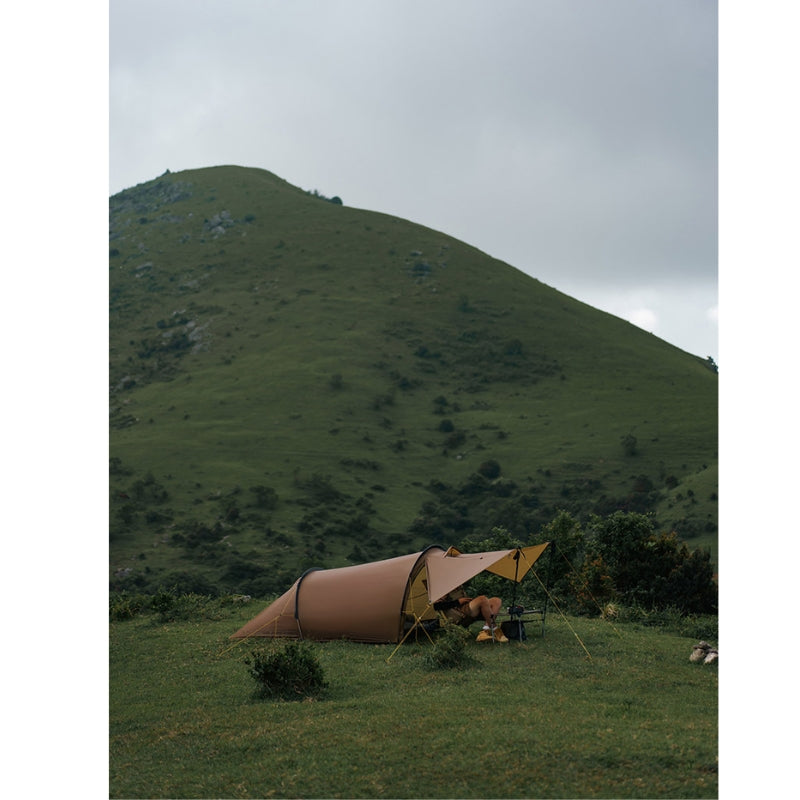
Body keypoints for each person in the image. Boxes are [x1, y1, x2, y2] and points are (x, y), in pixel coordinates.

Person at [434, 587, 509, 642]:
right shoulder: (444, 586)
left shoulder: (457, 582)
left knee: (496, 601)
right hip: (458, 612)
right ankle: (495, 629)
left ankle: (485, 630)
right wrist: (458, 602)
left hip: (467, 607)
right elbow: (436, 606)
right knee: (482, 599)